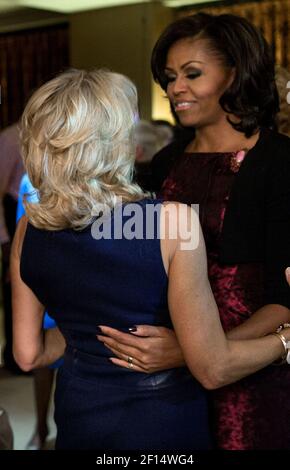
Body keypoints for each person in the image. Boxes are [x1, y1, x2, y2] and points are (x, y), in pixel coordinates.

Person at [11, 68, 290, 451]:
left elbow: (29, 354)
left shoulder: (29, 226)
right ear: (115, 141)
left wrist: (87, 329)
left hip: (79, 417)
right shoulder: (172, 221)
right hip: (161, 422)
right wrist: (285, 340)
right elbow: (213, 367)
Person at [96, 13, 290, 450]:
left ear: (235, 72)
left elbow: (285, 299)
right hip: (167, 381)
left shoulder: (280, 164)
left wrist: (194, 351)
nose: (175, 88)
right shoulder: (163, 164)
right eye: (169, 77)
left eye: (192, 74)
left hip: (254, 377)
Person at [16, 174, 60, 450]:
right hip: (44, 277)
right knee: (39, 354)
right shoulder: (28, 182)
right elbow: (24, 233)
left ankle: (59, 426)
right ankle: (41, 426)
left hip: (77, 274)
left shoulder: (87, 170)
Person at [0, 122, 25, 373]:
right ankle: (16, 357)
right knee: (14, 288)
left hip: (40, 210)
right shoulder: (10, 139)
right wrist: (5, 240)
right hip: (14, 210)